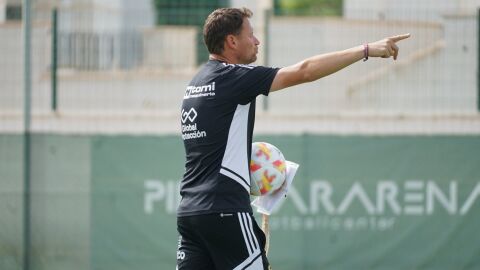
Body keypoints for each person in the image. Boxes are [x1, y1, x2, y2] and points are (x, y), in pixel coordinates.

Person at [177, 7, 410, 270]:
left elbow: (217, 151)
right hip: (225, 211)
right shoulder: (233, 78)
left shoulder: (196, 84)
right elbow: (305, 71)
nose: (257, 41)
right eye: (250, 35)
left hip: (190, 214)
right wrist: (366, 50)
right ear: (231, 41)